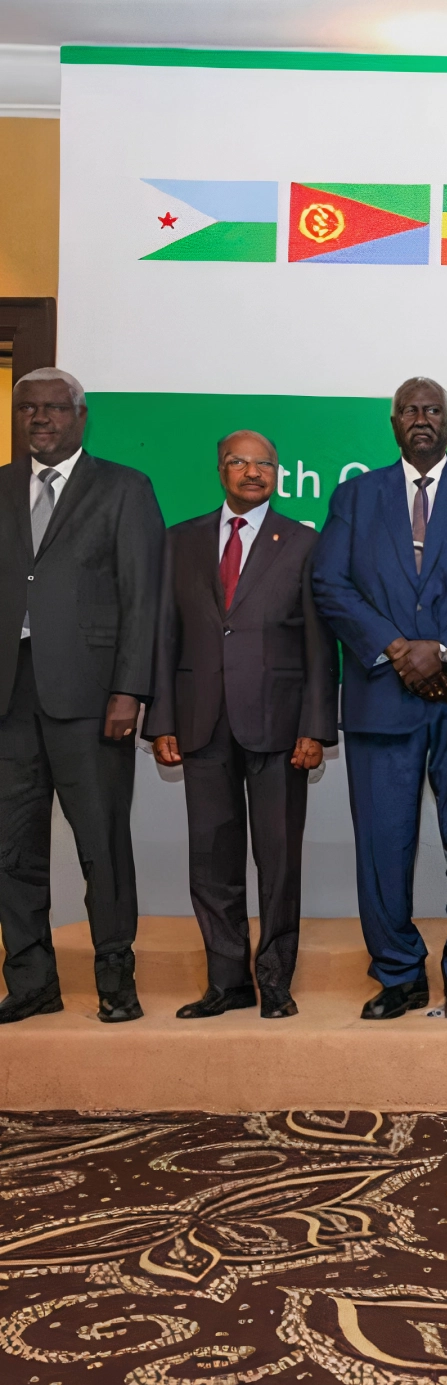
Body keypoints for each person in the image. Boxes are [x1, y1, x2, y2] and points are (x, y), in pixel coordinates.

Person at [311, 377, 447, 1022]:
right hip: (384, 694)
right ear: (394, 423)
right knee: (383, 843)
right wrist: (395, 647)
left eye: (433, 410)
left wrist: (446, 649)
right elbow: (330, 583)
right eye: (410, 410)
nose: (422, 418)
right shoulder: (355, 497)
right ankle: (398, 973)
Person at [146, 430, 338, 1020]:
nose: (253, 472)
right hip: (201, 723)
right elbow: (164, 635)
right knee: (212, 860)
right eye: (240, 462)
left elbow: (320, 643)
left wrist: (316, 727)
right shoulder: (180, 541)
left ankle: (275, 981)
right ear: (221, 469)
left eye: (265, 464)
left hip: (280, 726)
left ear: (278, 474)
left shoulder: (303, 542)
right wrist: (162, 719)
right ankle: (227, 982)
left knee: (278, 861)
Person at [0, 367, 163, 1025]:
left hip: (93, 698)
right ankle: (32, 982)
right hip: (10, 698)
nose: (40, 419)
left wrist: (129, 689)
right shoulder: (1, 486)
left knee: (103, 845)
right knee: (12, 848)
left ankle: (116, 983)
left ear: (80, 415)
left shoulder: (124, 487)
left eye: (54, 408)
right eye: (28, 408)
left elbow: (143, 598)